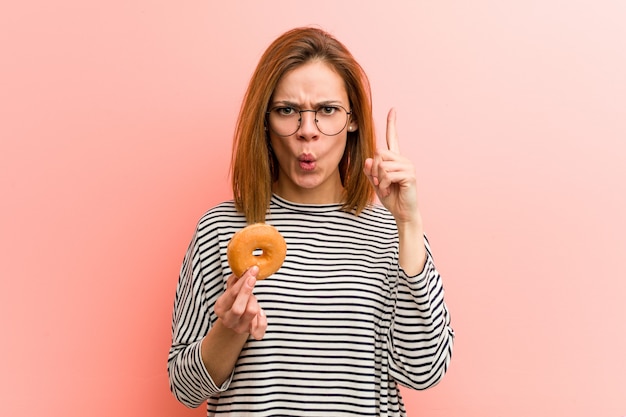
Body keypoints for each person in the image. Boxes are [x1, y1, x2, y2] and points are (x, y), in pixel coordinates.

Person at [168, 26, 454, 416]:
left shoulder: (392, 232)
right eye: (287, 110)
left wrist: (409, 223)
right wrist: (230, 331)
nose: (307, 131)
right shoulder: (221, 229)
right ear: (265, 122)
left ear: (352, 120)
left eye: (327, 110)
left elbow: (426, 371)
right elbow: (185, 390)